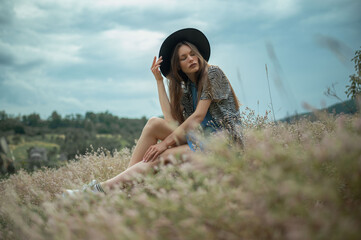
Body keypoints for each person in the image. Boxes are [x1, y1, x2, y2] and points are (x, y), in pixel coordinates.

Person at [64, 28, 242, 195]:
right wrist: (159, 81)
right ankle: (123, 187)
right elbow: (170, 120)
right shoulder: (189, 88)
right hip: (200, 140)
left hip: (221, 149)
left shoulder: (213, 73)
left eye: (193, 54)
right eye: (184, 57)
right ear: (178, 66)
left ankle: (97, 192)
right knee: (153, 123)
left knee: (161, 155)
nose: (191, 59)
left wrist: (164, 144)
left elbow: (198, 117)